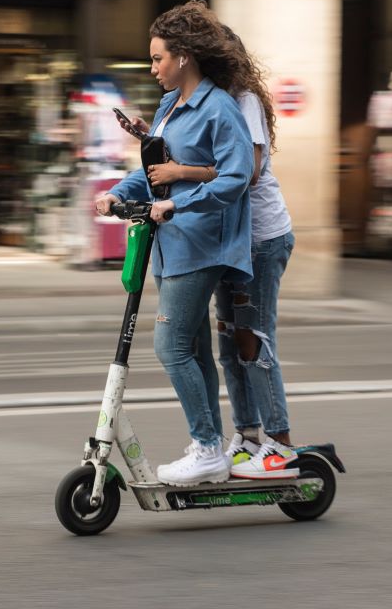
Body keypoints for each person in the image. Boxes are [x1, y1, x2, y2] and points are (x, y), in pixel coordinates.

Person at [117, 25, 301, 480]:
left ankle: (280, 444)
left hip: (259, 236)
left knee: (252, 341)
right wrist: (155, 143)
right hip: (220, 236)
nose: (155, 67)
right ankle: (245, 436)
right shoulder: (181, 101)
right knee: (225, 346)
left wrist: (180, 173)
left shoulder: (239, 101)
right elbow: (179, 159)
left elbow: (247, 173)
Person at [95, 0, 254, 487]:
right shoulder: (170, 106)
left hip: (202, 242)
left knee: (170, 347)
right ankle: (210, 449)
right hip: (169, 243)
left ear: (183, 56)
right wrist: (119, 192)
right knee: (196, 350)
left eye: (157, 58)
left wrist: (178, 205)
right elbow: (154, 168)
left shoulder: (219, 110)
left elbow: (237, 177)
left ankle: (206, 446)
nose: (152, 67)